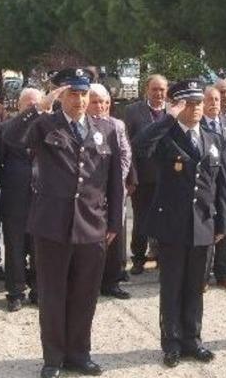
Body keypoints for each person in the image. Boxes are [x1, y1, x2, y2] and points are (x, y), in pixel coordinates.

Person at [21, 68, 123, 378]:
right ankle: (53, 358)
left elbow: (114, 182)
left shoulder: (104, 130)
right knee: (52, 294)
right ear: (62, 95)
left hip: (91, 226)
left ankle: (79, 353)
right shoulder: (44, 126)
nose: (80, 100)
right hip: (52, 225)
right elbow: (12, 139)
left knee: (85, 294)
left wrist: (114, 223)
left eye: (84, 93)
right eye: (74, 93)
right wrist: (41, 105)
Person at [133, 78, 226, 368]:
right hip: (172, 225)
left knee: (196, 285)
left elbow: (222, 184)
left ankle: (193, 339)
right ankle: (172, 342)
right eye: (189, 103)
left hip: (202, 223)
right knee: (172, 285)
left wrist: (222, 222)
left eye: (199, 102)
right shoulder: (165, 136)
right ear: (177, 105)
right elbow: (140, 146)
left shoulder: (213, 138)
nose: (196, 108)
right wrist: (168, 118)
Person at [0, 87, 43, 311]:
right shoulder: (5, 129)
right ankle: (15, 293)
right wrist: (11, 184)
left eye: (36, 104)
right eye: (28, 105)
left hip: (43, 201)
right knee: (15, 248)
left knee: (40, 249)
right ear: (20, 106)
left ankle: (39, 291)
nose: (32, 108)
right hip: (15, 199)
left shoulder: (49, 127)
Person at [87, 83, 134, 300]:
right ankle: (90, 284)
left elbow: (125, 156)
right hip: (90, 191)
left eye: (104, 102)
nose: (99, 106)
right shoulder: (82, 125)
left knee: (115, 236)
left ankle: (111, 281)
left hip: (113, 189)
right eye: (95, 102)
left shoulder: (117, 126)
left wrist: (117, 179)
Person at [125, 74, 169, 274]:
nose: (159, 93)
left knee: (165, 218)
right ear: (146, 90)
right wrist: (131, 176)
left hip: (169, 177)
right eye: (155, 89)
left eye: (162, 89)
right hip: (143, 177)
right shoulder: (133, 112)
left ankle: (161, 256)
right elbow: (127, 147)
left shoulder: (174, 110)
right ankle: (139, 258)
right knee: (141, 219)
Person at [200, 86, 226, 290]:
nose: (215, 102)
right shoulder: (199, 125)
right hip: (207, 184)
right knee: (206, 229)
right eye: (211, 99)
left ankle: (223, 273)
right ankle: (202, 277)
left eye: (217, 99)